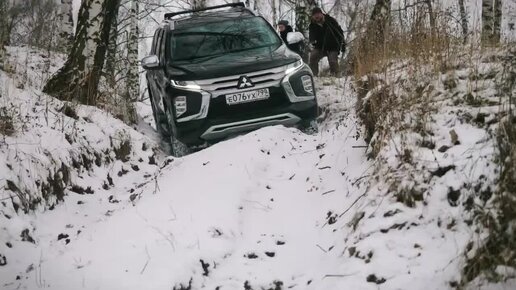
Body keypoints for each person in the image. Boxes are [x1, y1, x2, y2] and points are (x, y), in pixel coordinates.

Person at [308, 7, 345, 76]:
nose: (317, 16)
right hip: (320, 47)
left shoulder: (331, 21)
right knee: (313, 57)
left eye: (318, 14)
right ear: (312, 16)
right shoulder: (312, 25)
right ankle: (313, 75)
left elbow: (340, 32)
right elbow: (311, 35)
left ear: (322, 14)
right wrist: (312, 41)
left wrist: (343, 44)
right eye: (315, 15)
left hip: (333, 47)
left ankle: (335, 75)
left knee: (332, 61)